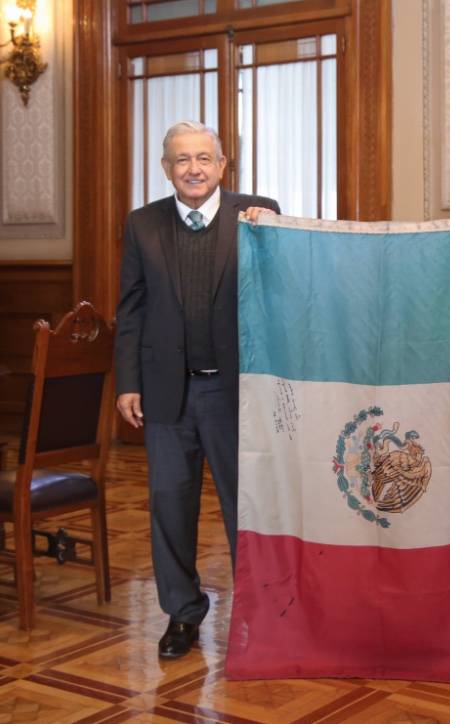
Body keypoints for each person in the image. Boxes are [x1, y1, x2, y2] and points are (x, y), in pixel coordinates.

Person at [115, 121, 279, 659]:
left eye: (203, 158)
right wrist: (128, 383)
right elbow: (132, 309)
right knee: (169, 508)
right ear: (167, 169)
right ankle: (182, 615)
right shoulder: (142, 225)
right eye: (182, 159)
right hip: (166, 395)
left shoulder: (257, 213)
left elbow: (287, 286)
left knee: (245, 509)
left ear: (222, 164)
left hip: (236, 394)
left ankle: (257, 615)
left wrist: (273, 233)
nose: (193, 168)